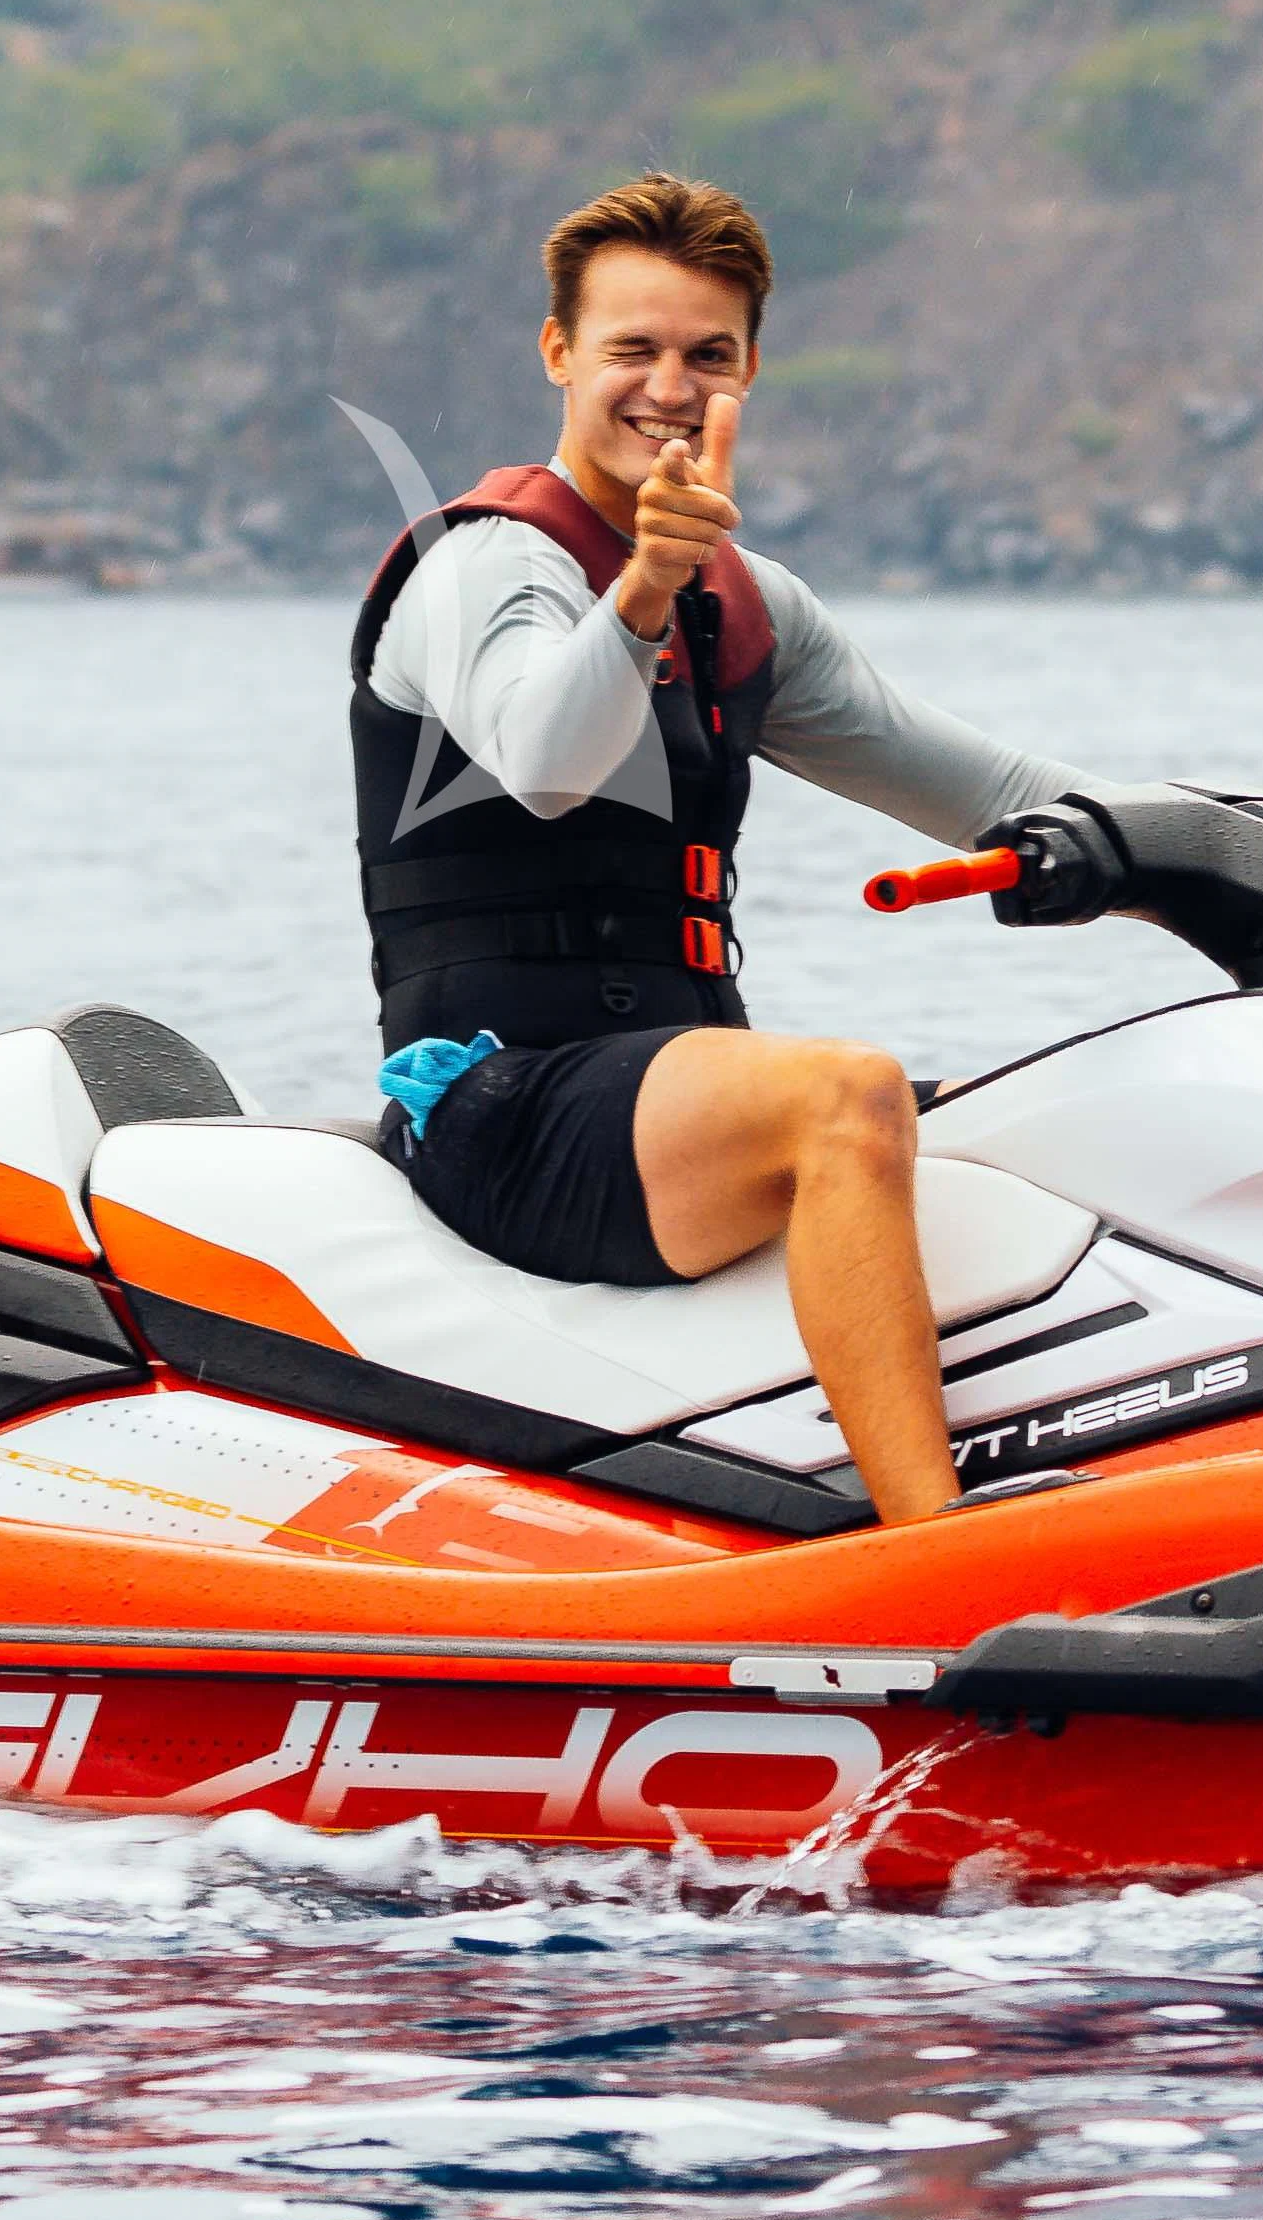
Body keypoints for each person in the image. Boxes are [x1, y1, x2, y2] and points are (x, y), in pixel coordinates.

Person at [349, 166, 1091, 1526]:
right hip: (497, 1109)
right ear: (558, 352)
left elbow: (986, 784)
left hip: (666, 1099)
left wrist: (1252, 826)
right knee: (843, 1095)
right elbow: (546, 758)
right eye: (631, 349)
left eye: (708, 355)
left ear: (751, 366)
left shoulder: (748, 607)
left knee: (1053, 1119)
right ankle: (929, 1547)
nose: (669, 388)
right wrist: (640, 583)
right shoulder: (484, 568)